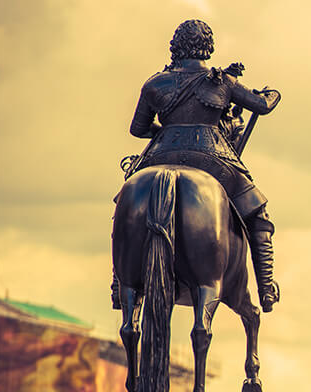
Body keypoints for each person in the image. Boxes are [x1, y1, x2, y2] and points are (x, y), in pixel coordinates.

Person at [113, 19, 281, 312]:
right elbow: (262, 106)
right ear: (208, 47)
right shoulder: (221, 81)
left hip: (160, 154)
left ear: (176, 46)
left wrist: (165, 132)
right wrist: (273, 93)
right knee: (257, 212)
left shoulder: (155, 83)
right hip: (212, 158)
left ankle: (118, 283)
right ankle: (266, 289)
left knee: (124, 207)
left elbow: (137, 129)